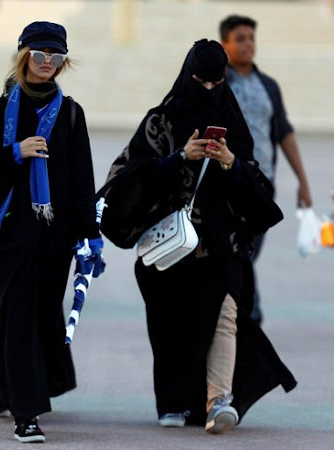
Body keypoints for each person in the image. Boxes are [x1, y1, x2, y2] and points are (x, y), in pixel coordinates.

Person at [97, 39, 297, 434]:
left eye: (216, 83)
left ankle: (218, 400)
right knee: (171, 325)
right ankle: (174, 401)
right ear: (187, 76)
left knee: (225, 316)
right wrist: (178, 158)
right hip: (170, 248)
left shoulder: (232, 122)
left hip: (221, 245)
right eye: (199, 82)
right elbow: (123, 180)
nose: (208, 91)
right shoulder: (162, 121)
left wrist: (230, 163)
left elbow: (256, 185)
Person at [0, 21, 102, 443]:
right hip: (7, 235)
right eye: (39, 54)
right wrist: (15, 151)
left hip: (54, 239)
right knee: (16, 321)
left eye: (56, 56)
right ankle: (26, 415)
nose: (47, 63)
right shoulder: (1, 110)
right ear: (23, 57)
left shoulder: (71, 114)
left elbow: (81, 180)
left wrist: (90, 236)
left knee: (39, 319)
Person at [219, 14, 313, 326]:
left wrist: (303, 181)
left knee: (247, 251)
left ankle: (242, 310)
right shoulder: (216, 82)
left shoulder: (268, 86)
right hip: (226, 180)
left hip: (261, 184)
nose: (248, 44)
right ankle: (249, 313)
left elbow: (283, 132)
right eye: (240, 38)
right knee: (236, 253)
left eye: (251, 38)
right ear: (225, 44)